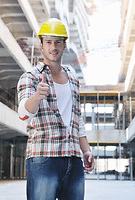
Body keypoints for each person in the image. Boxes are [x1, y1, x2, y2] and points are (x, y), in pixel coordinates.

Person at [17, 18, 94, 200]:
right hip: (44, 158)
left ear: (64, 44)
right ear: (42, 45)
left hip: (73, 160)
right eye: (49, 42)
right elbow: (23, 114)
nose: (53, 47)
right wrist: (36, 97)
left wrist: (86, 150)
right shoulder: (30, 77)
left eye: (58, 42)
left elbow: (77, 118)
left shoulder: (73, 77)